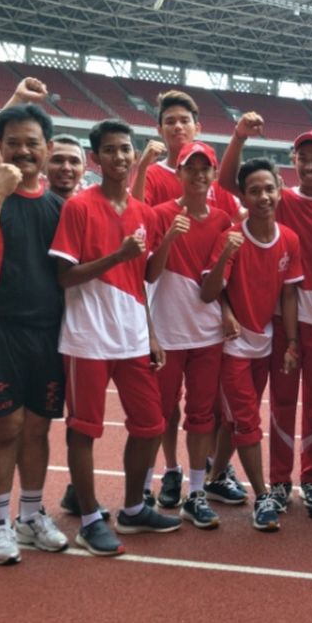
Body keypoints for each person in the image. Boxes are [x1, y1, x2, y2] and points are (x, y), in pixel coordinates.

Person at [48, 119, 181, 557]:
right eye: (110, 150)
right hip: (87, 338)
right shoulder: (79, 208)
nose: (120, 157)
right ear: (96, 158)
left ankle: (133, 507)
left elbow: (142, 279)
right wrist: (117, 255)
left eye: (125, 149)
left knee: (151, 424)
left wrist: (153, 333)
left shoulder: (143, 213)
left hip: (132, 337)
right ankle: (88, 519)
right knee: (84, 429)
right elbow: (65, 276)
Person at [0, 103, 68, 565]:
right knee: (7, 426)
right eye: (13, 143)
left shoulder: (61, 207)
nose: (23, 151)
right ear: (0, 147)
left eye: (32, 143)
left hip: (48, 331)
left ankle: (30, 514)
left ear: (46, 149)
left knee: (39, 427)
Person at [219, 117, 312, 506]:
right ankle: (278, 481)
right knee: (283, 402)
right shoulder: (279, 196)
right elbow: (226, 183)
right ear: (293, 159)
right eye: (302, 158)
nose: (309, 166)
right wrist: (239, 137)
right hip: (283, 318)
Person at [132, 90, 242, 505]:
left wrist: (227, 310)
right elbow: (148, 272)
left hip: (206, 329)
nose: (198, 176)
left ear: (213, 175)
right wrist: (168, 240)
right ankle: (164, 475)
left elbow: (217, 284)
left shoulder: (223, 216)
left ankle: (199, 486)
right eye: (189, 170)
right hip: (166, 326)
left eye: (205, 170)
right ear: (177, 173)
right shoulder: (160, 214)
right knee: (160, 410)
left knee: (203, 411)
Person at [201, 158, 304, 529]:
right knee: (246, 420)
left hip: (265, 343)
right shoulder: (231, 235)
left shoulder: (288, 239)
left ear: (279, 189)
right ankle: (262, 497)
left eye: (269, 189)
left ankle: (213, 480)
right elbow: (209, 290)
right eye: (255, 190)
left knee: (235, 422)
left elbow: (289, 296)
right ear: (243, 195)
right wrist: (226, 308)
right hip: (233, 347)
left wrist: (292, 342)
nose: (263, 197)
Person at [0, 77, 87, 200]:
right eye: (57, 160)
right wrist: (19, 98)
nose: (66, 168)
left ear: (84, 169)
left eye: (74, 161)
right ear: (45, 161)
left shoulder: (89, 211)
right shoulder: (15, 190)